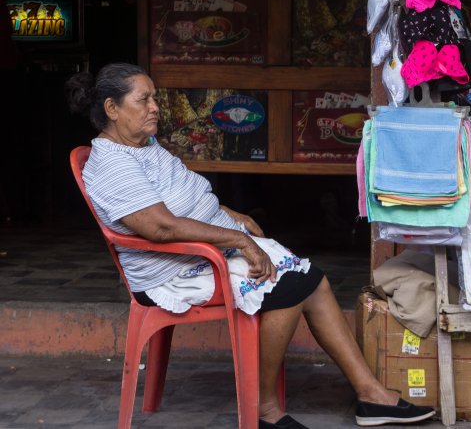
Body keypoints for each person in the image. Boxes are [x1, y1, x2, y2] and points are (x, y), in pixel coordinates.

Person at [65, 63, 435, 429]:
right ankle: (265, 410)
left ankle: (370, 395)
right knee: (289, 289)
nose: (155, 107)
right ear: (112, 109)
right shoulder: (113, 163)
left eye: (155, 98)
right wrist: (237, 239)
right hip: (174, 270)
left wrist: (228, 214)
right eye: (143, 100)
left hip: (204, 250)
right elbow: (160, 227)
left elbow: (180, 199)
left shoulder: (143, 146)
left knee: (315, 281)